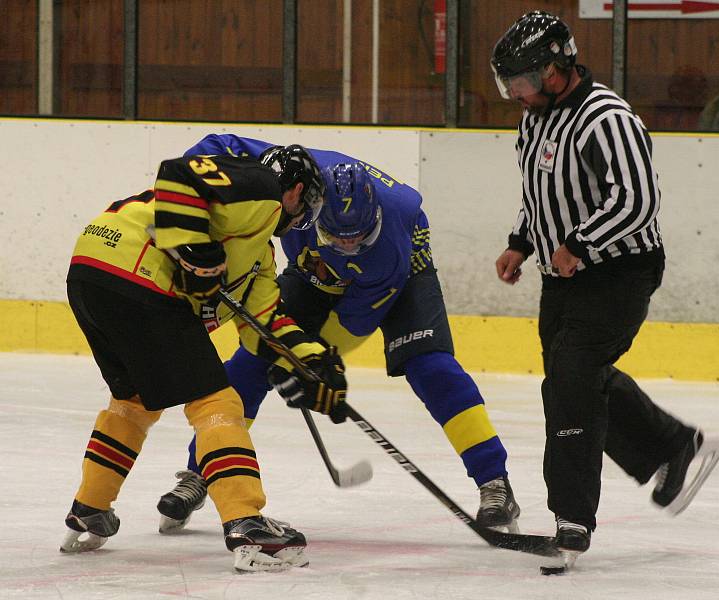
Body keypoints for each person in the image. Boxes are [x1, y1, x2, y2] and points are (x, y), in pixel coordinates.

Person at [155, 133, 521, 536]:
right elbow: (209, 149)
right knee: (252, 359)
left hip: (401, 275)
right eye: (336, 239)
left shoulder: (387, 251)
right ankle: (200, 472)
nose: (347, 247)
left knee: (431, 367)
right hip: (313, 271)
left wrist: (306, 364)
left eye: (357, 240)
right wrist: (195, 212)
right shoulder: (288, 171)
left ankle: (494, 481)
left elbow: (351, 325)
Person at [490, 11, 719, 564]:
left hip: (619, 272)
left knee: (571, 381)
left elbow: (637, 202)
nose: (514, 94)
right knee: (574, 376)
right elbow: (541, 194)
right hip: (565, 275)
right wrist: (522, 242)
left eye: (521, 82)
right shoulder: (536, 120)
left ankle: (571, 522)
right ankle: (673, 444)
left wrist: (579, 244)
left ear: (553, 70)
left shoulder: (606, 119)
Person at [61, 144, 349, 572]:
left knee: (134, 401)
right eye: (307, 203)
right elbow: (179, 174)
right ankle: (247, 525)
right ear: (297, 190)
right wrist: (194, 248)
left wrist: (313, 363)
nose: (303, 215)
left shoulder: (257, 252)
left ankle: (90, 509)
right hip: (139, 275)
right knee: (218, 403)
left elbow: (267, 322)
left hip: (90, 272)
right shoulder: (262, 190)